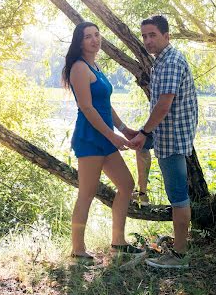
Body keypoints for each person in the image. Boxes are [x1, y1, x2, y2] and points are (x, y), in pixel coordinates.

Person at [62, 21, 142, 260]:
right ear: (79, 42)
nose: (94, 40)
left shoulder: (95, 66)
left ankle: (118, 241)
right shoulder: (78, 67)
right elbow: (86, 108)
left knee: (126, 185)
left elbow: (105, 105)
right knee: (87, 193)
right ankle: (77, 250)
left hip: (106, 137)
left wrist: (124, 129)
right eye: (88, 36)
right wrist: (112, 136)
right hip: (90, 138)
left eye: (97, 35)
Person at [130, 15, 198, 268]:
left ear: (166, 36)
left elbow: (163, 106)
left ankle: (179, 255)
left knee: (178, 195)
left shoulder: (170, 62)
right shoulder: (163, 60)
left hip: (172, 138)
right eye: (144, 36)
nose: (147, 40)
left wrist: (145, 133)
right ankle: (142, 192)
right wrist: (141, 135)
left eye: (152, 35)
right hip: (166, 133)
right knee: (141, 147)